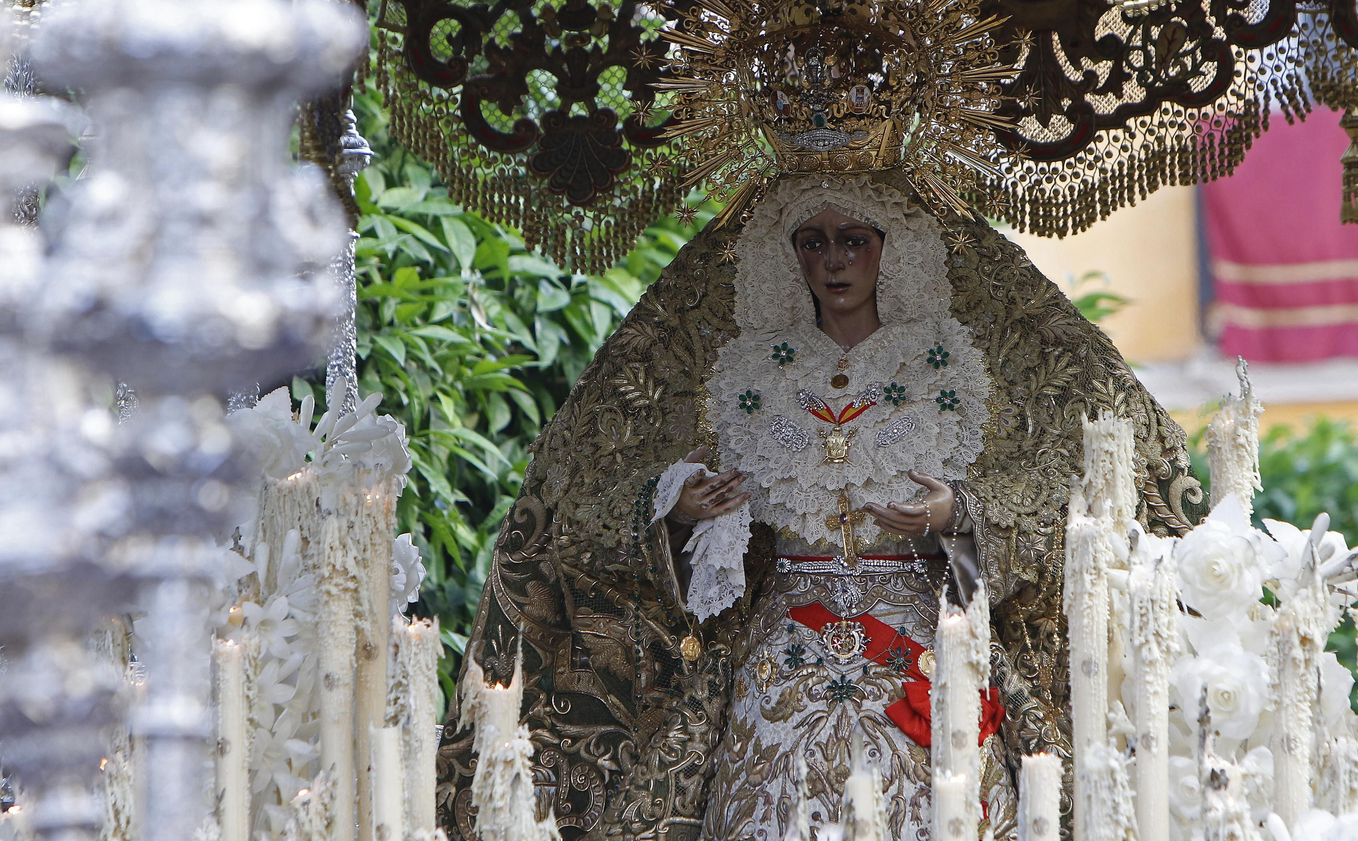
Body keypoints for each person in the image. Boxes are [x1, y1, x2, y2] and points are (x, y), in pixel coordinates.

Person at [434, 163, 1194, 841]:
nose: (834, 260)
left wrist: (956, 516)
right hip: (784, 636)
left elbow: (1038, 519)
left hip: (922, 631)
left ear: (890, 249)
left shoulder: (948, 368)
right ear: (790, 255)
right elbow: (626, 520)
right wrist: (683, 508)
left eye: (854, 240)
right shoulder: (749, 372)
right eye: (813, 242)